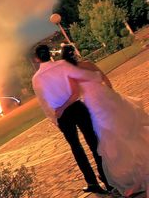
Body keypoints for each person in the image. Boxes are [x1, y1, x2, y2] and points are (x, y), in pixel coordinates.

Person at [56, 44, 149, 197]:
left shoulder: (72, 73)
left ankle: (131, 171)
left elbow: (74, 95)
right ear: (75, 53)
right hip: (107, 97)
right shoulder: (88, 64)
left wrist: (62, 107)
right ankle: (140, 162)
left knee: (109, 136)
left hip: (94, 104)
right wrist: (111, 94)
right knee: (124, 129)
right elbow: (105, 78)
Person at [31, 43, 110, 194]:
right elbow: (80, 81)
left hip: (62, 114)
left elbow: (44, 103)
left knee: (76, 148)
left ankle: (92, 182)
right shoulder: (63, 65)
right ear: (50, 54)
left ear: (36, 59)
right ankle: (107, 178)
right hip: (77, 107)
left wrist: (55, 120)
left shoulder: (36, 78)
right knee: (94, 142)